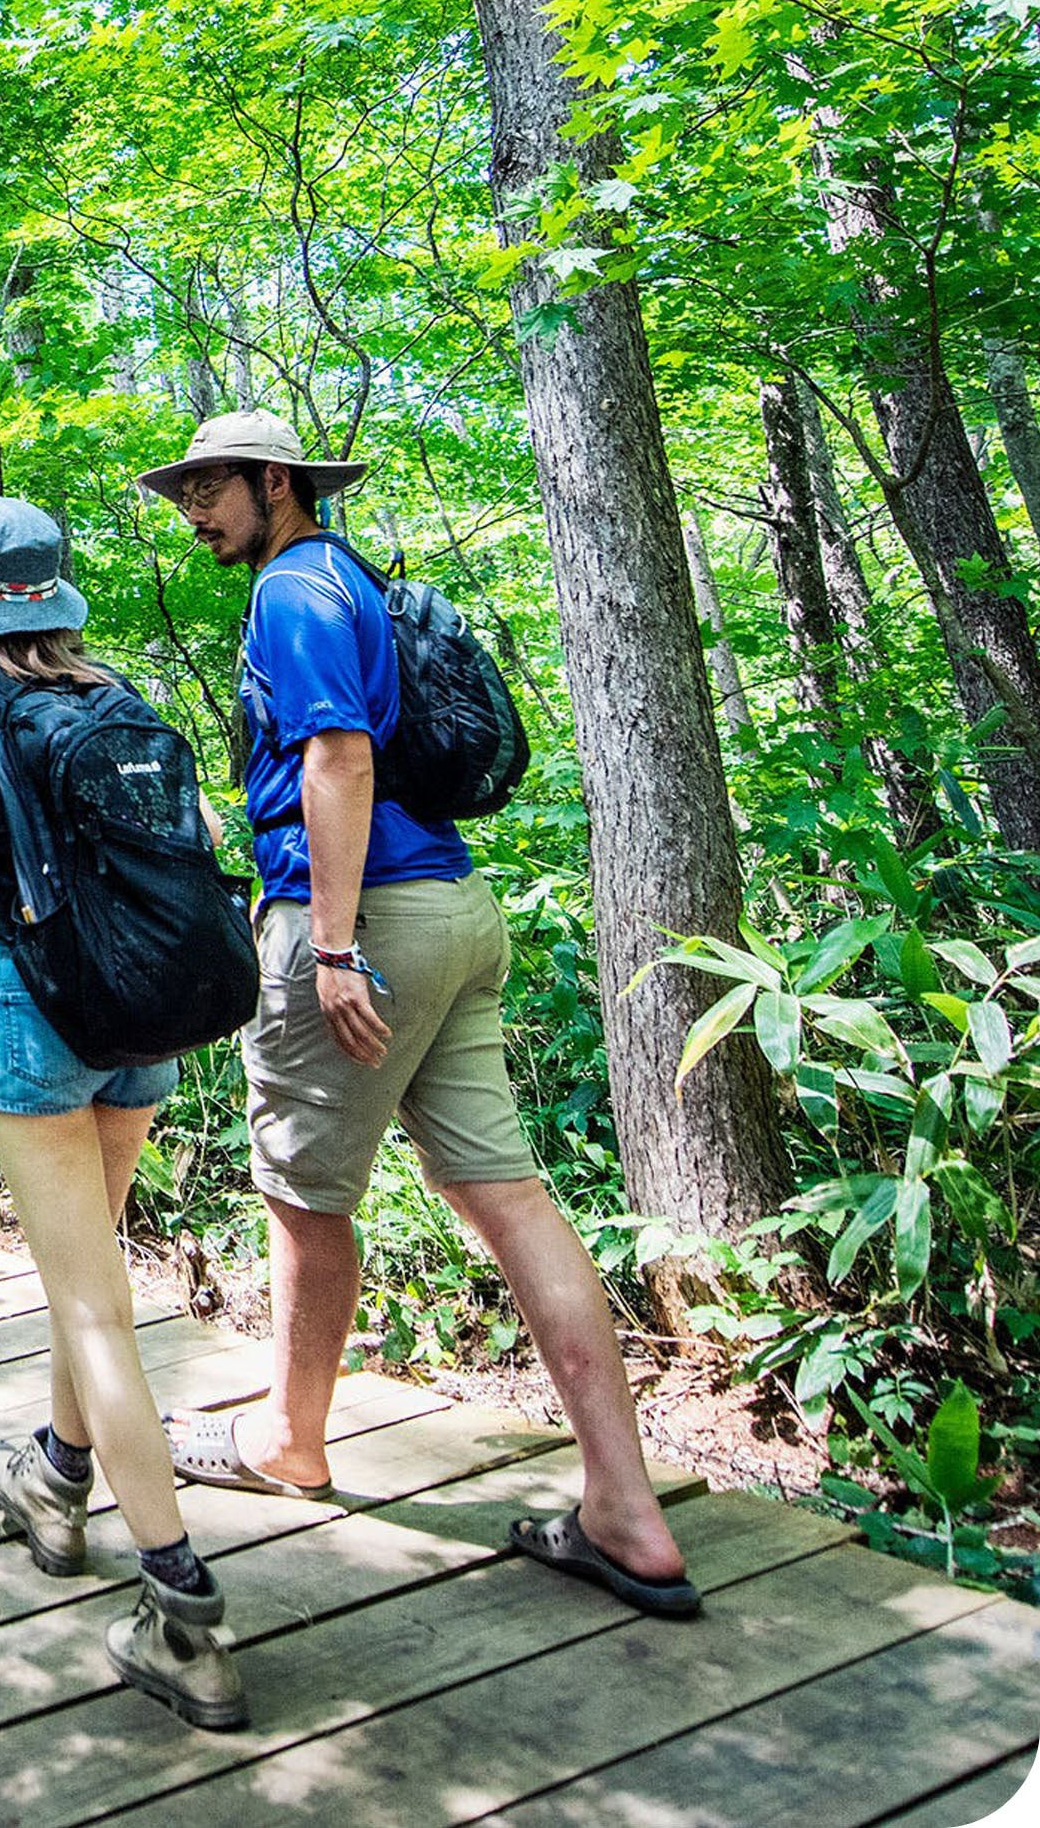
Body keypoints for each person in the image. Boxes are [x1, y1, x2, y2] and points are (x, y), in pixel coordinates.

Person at [142, 411, 696, 1618]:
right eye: (183, 492)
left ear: (275, 481)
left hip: (363, 921)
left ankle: (290, 1438)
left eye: (208, 488)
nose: (193, 511)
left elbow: (339, 758)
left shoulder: (293, 590)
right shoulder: (356, 579)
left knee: (303, 1196)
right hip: (454, 908)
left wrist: (333, 946)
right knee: (508, 1193)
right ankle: (625, 1505)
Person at [0, 495, 245, 1730]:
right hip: (139, 1003)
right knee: (92, 1278)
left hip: (29, 997)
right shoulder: (109, 689)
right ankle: (58, 1479)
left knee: (92, 1303)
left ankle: (183, 1611)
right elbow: (194, 831)